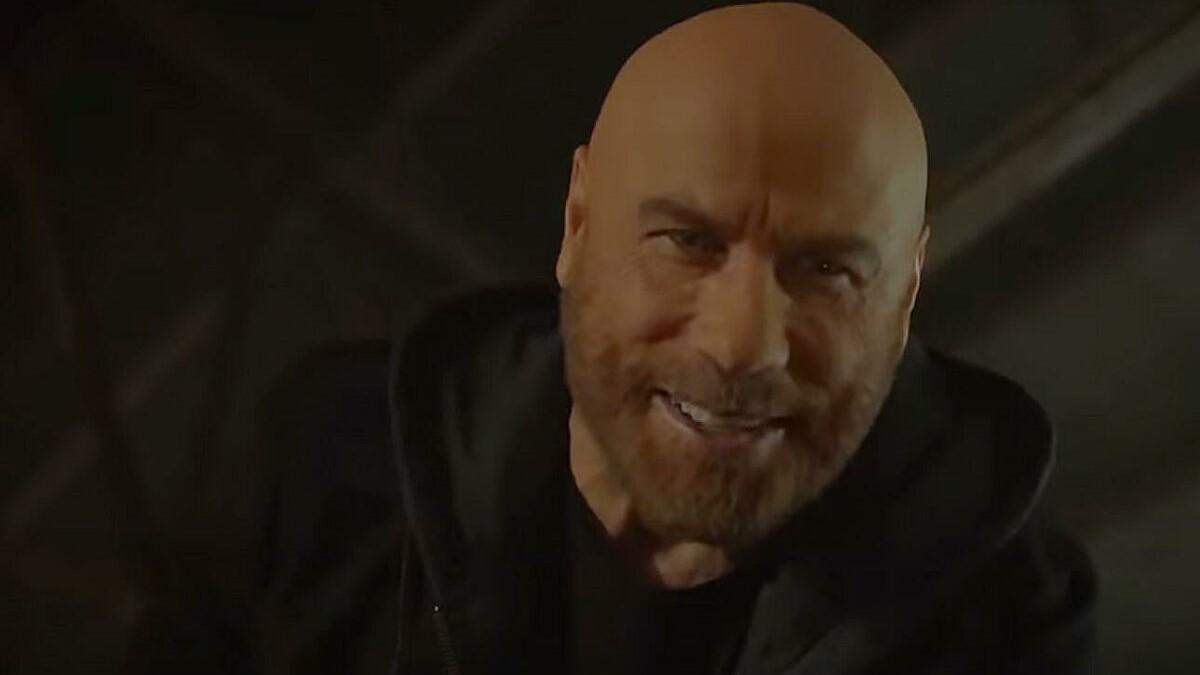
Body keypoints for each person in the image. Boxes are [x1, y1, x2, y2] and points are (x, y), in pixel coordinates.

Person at [127, 3, 1096, 674]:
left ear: (907, 291)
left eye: (827, 270)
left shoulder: (998, 620)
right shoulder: (330, 472)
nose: (742, 344)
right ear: (578, 225)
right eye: (687, 242)